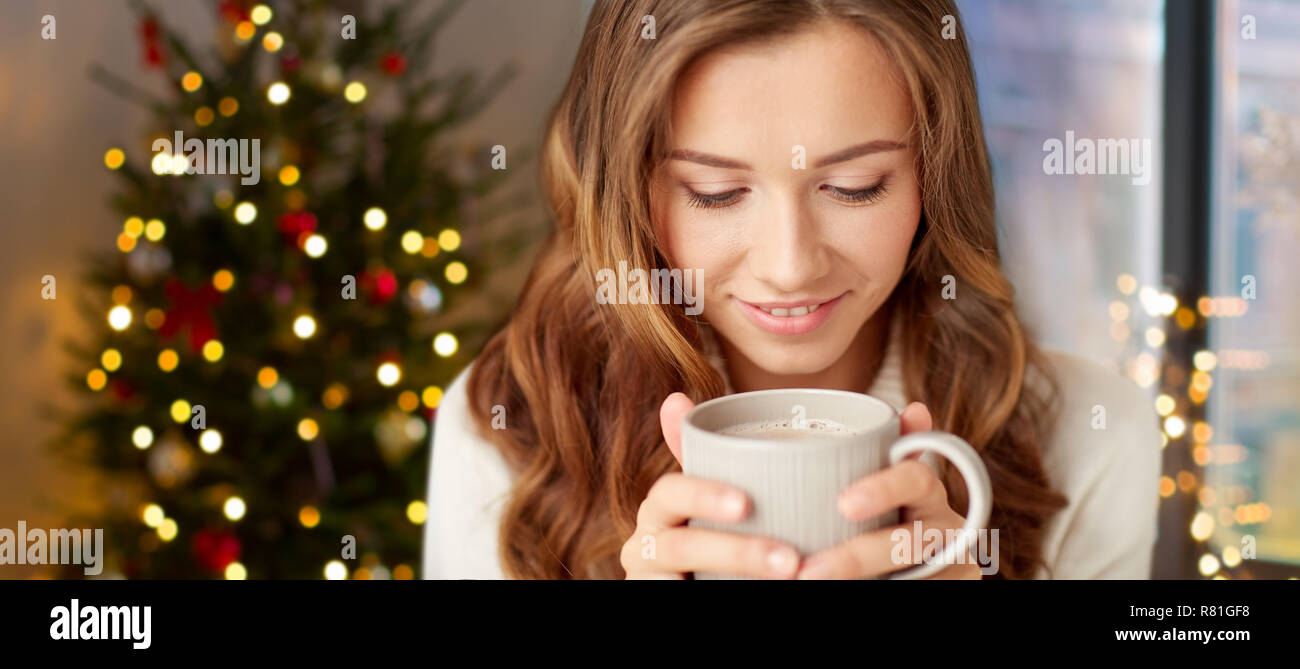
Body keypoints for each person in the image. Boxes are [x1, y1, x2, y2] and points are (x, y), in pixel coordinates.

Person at [422, 0, 1161, 580]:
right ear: (625, 189)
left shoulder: (1094, 439)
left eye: (854, 186)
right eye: (714, 193)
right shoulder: (507, 432)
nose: (790, 266)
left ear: (936, 177)